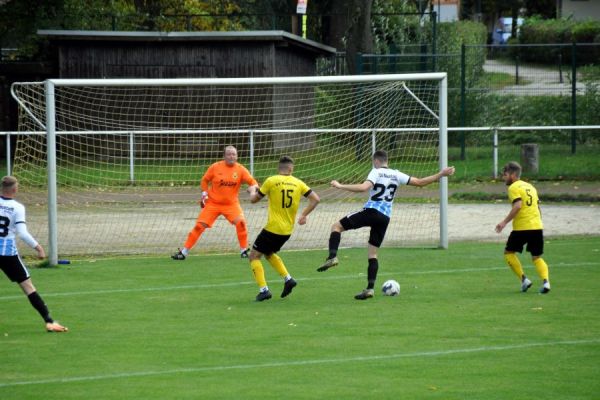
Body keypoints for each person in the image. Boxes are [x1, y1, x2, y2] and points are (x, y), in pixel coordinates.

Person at [317, 150, 455, 300]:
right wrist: (441, 174)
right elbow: (420, 183)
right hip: (385, 217)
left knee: (336, 227)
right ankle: (369, 289)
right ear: (386, 160)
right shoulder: (396, 174)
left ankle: (332, 257)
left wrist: (340, 185)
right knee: (373, 254)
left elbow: (364, 188)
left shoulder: (376, 171)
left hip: (371, 211)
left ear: (376, 161)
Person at [0, 176, 68, 332]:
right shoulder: (17, 208)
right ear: (15, 189)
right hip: (7, 254)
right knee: (28, 287)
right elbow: (22, 233)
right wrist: (38, 247)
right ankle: (49, 322)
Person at [248, 155, 320, 301]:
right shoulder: (298, 183)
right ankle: (288, 279)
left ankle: (264, 291)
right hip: (287, 230)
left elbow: (254, 200)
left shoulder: (271, 181)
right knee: (268, 253)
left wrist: (251, 190)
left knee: (254, 256)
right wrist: (304, 214)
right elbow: (316, 199)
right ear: (291, 168)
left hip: (272, 228)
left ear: (278, 168)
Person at [172, 145, 259, 260]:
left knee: (241, 223)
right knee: (199, 226)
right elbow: (204, 180)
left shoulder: (241, 169)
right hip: (213, 204)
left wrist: (253, 188)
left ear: (237, 156)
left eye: (234, 154)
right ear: (224, 156)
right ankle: (183, 253)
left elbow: (253, 183)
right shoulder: (215, 167)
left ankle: (243, 250)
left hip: (231, 205)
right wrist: (204, 193)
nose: (231, 156)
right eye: (229, 154)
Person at [495, 161, 551, 294]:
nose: (504, 177)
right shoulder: (530, 187)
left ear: (513, 175)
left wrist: (504, 222)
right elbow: (538, 207)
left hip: (522, 227)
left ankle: (524, 280)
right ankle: (546, 282)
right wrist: (539, 223)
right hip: (537, 226)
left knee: (508, 253)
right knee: (537, 257)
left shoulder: (513, 187)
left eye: (505, 174)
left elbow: (518, 205)